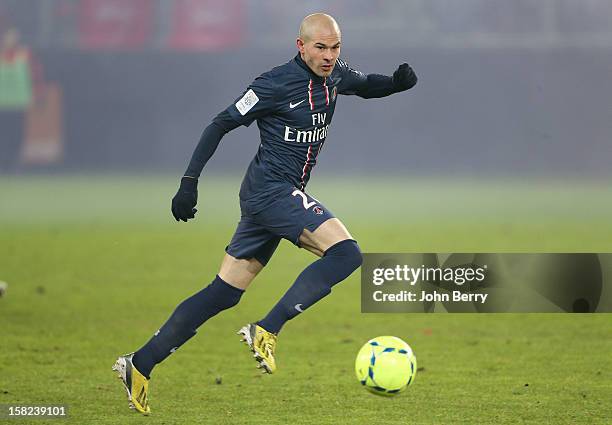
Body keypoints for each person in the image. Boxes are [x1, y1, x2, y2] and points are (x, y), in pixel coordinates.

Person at [112, 13, 417, 415]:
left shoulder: (335, 76)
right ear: (301, 46)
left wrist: (395, 84)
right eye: (320, 47)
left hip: (273, 194)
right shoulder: (273, 84)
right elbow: (220, 123)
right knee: (346, 254)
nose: (329, 56)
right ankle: (267, 329)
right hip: (270, 192)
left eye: (335, 47)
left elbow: (364, 85)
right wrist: (189, 181)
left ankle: (140, 363)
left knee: (223, 293)